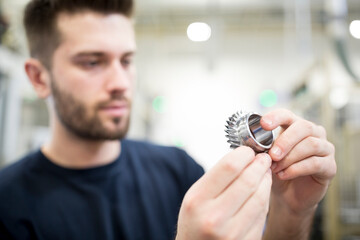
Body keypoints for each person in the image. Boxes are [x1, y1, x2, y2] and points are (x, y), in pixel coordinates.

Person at [0, 0, 336, 239]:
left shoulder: (177, 170)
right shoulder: (8, 204)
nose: (120, 82)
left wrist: (291, 212)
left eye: (127, 60)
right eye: (92, 62)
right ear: (39, 78)